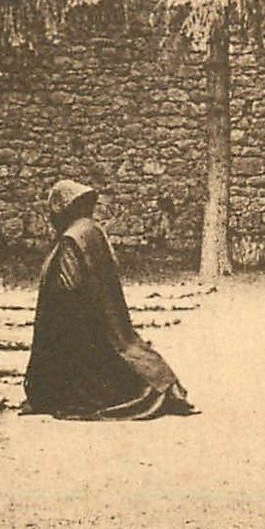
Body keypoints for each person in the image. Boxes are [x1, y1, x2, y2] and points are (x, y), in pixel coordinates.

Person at [21, 179, 195, 420]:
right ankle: (163, 386)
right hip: (106, 314)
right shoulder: (92, 230)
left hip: (83, 322)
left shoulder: (72, 238)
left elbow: (69, 286)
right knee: (126, 347)